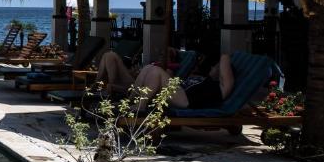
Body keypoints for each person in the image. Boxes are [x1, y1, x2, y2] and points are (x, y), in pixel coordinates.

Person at [97, 50, 235, 110]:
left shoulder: (220, 87)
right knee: (148, 69)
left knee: (156, 71)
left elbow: (225, 58)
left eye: (216, 67)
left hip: (186, 100)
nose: (212, 67)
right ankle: (130, 101)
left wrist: (220, 60)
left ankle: (141, 105)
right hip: (180, 92)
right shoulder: (203, 78)